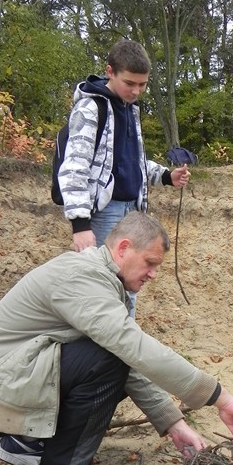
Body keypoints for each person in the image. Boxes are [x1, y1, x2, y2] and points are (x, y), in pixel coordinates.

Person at [0, 212, 233, 465]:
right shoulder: (83, 277)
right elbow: (132, 350)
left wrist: (173, 424)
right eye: (150, 263)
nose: (153, 274)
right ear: (124, 248)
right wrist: (222, 399)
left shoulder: (98, 278)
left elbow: (130, 363)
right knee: (106, 359)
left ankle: (25, 444)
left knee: (108, 357)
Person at [58, 38, 190, 311]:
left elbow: (131, 162)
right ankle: (109, 337)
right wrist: (80, 225)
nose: (136, 91)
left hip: (133, 211)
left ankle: (123, 336)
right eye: (130, 83)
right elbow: (74, 167)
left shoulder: (129, 109)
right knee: (105, 286)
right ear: (110, 71)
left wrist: (166, 176)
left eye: (143, 85)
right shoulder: (91, 108)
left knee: (129, 284)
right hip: (105, 212)